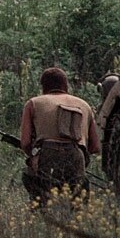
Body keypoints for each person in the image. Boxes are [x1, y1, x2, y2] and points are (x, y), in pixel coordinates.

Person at [20, 67, 101, 201]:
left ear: (43, 86)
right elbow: (95, 147)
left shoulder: (33, 103)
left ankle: (41, 213)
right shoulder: (84, 105)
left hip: (46, 153)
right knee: (78, 200)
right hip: (76, 154)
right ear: (65, 85)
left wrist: (34, 156)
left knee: (33, 183)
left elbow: (25, 142)